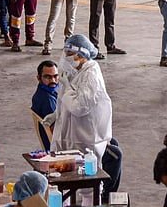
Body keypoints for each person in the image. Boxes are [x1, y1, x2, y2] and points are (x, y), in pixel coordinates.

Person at [49, 34, 118, 196]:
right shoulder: (75, 70)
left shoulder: (91, 75)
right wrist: (56, 114)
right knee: (67, 178)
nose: (65, 58)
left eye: (69, 54)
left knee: (85, 184)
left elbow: (80, 107)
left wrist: (67, 89)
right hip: (72, 132)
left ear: (81, 56)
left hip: (86, 136)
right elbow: (64, 99)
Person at [31, 60, 58, 151]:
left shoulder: (47, 92)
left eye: (55, 76)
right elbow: (55, 130)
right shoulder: (47, 99)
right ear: (39, 78)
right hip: (55, 145)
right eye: (48, 77)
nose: (53, 81)